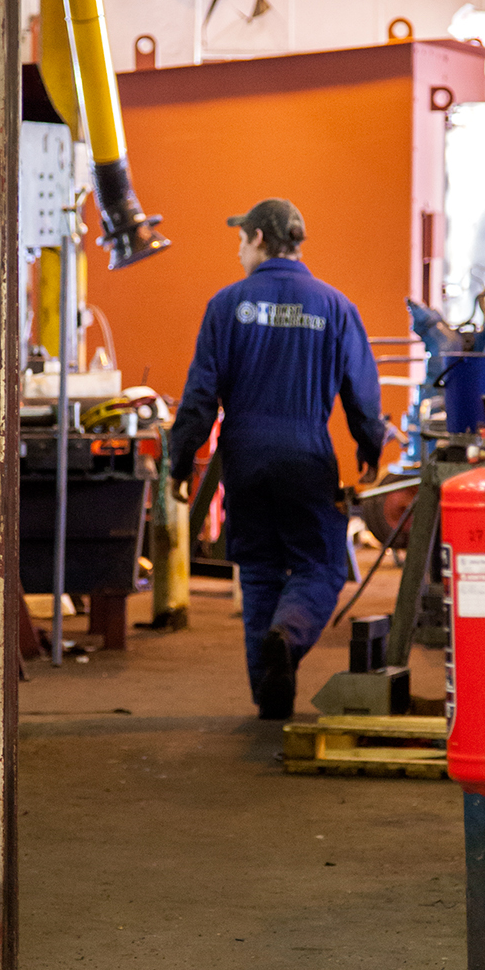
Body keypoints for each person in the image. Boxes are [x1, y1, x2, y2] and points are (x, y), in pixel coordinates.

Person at [168, 198, 388, 719]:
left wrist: (180, 461)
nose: (238, 251)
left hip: (244, 455)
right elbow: (363, 393)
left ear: (260, 239)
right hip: (306, 452)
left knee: (260, 571)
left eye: (241, 239)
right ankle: (287, 637)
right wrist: (370, 449)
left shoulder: (226, 305)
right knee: (321, 564)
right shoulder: (335, 306)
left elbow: (199, 396)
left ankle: (269, 695)